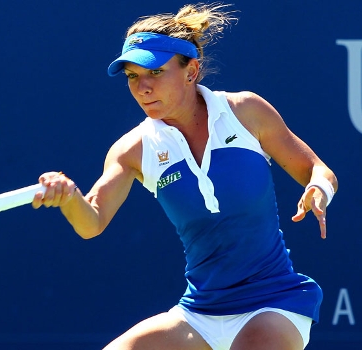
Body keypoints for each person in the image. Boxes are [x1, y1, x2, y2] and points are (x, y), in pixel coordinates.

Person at [31, 3, 338, 350]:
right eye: (132, 76)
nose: (143, 87)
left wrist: (317, 188)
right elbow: (92, 222)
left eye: (155, 73)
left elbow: (317, 169)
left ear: (191, 71)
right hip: (197, 315)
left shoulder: (245, 112)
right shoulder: (132, 149)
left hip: (274, 303)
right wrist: (69, 196)